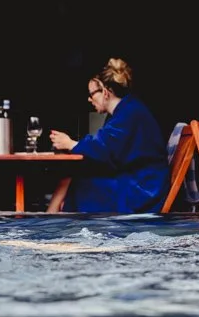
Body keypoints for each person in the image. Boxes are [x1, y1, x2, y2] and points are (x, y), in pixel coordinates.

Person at [46, 57, 170, 213]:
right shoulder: (125, 110)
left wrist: (71, 143)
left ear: (105, 92)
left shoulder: (129, 112)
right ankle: (51, 217)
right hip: (138, 180)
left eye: (92, 94)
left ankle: (52, 219)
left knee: (80, 182)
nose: (89, 99)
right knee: (74, 174)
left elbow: (103, 149)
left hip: (144, 188)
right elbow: (107, 147)